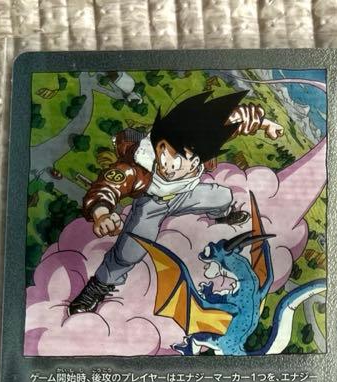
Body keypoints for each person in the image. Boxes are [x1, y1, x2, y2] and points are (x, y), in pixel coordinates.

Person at [67, 88, 283, 315]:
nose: (172, 166)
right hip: (152, 204)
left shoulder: (202, 141)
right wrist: (102, 214)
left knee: (223, 196)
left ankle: (221, 217)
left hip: (185, 194)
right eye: (169, 154)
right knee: (131, 250)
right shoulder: (139, 164)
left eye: (186, 160)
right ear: (160, 145)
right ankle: (98, 286)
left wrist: (265, 124)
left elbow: (234, 120)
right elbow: (108, 186)